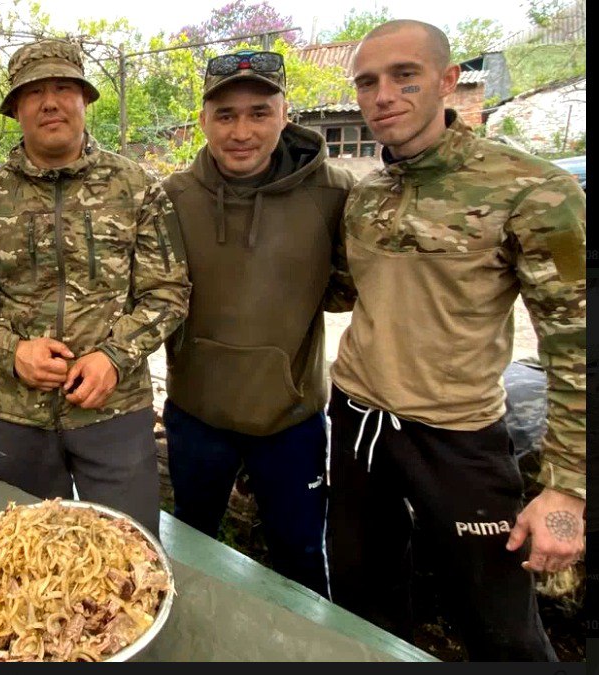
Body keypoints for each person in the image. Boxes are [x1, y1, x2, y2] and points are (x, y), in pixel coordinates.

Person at [325, 20, 585, 661]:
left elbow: (577, 344)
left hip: (458, 436)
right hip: (357, 424)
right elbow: (342, 294)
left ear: (446, 82)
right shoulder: (368, 195)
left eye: (404, 76)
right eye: (367, 82)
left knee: (499, 622)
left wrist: (569, 488)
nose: (383, 95)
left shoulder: (535, 190)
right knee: (365, 606)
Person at [0, 39, 191, 537]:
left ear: (84, 99)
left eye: (63, 88)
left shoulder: (135, 186)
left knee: (129, 548)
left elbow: (169, 290)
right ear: (15, 109)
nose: (49, 102)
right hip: (18, 414)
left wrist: (115, 357)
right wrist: (12, 352)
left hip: (113, 410)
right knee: (30, 552)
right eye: (34, 93)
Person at [161, 49, 356, 597]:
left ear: (285, 115)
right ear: (203, 121)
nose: (241, 130)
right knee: (193, 540)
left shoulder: (336, 193)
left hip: (289, 420)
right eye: (225, 115)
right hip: (197, 415)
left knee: (298, 550)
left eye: (258, 113)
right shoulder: (173, 198)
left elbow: (347, 288)